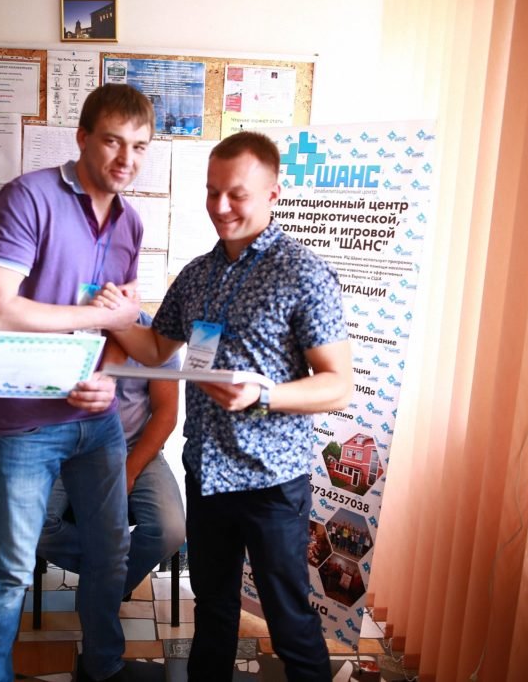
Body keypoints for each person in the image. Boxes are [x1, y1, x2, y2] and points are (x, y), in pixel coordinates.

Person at [97, 131, 354, 681]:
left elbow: (338, 385)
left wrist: (265, 394)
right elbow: (156, 350)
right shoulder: (198, 274)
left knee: (287, 617)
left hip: (270, 481)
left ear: (273, 193)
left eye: (236, 194)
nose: (219, 206)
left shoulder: (303, 274)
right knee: (212, 607)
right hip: (207, 474)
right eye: (212, 191)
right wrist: (117, 317)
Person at [0, 83, 155, 682]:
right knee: (10, 569)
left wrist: (108, 375)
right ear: (82, 138)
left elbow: (116, 325)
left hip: (95, 420)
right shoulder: (29, 197)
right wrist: (96, 315)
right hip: (24, 423)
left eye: (140, 147)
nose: (126, 158)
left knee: (111, 554)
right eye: (113, 141)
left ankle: (102, 668)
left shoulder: (130, 223)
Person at [37, 311, 185, 597]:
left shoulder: (158, 336)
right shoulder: (58, 326)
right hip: (66, 448)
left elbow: (166, 413)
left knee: (170, 530)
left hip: (134, 449)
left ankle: (100, 588)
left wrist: (129, 471)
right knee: (30, 524)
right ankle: (105, 576)